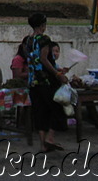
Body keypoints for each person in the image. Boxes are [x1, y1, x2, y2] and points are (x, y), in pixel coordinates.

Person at [24, 13, 68, 153]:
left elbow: (32, 59)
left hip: (33, 81)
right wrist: (57, 74)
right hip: (46, 80)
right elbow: (44, 59)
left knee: (40, 112)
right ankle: (50, 138)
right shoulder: (44, 39)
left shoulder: (28, 41)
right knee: (57, 107)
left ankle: (43, 144)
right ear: (43, 25)